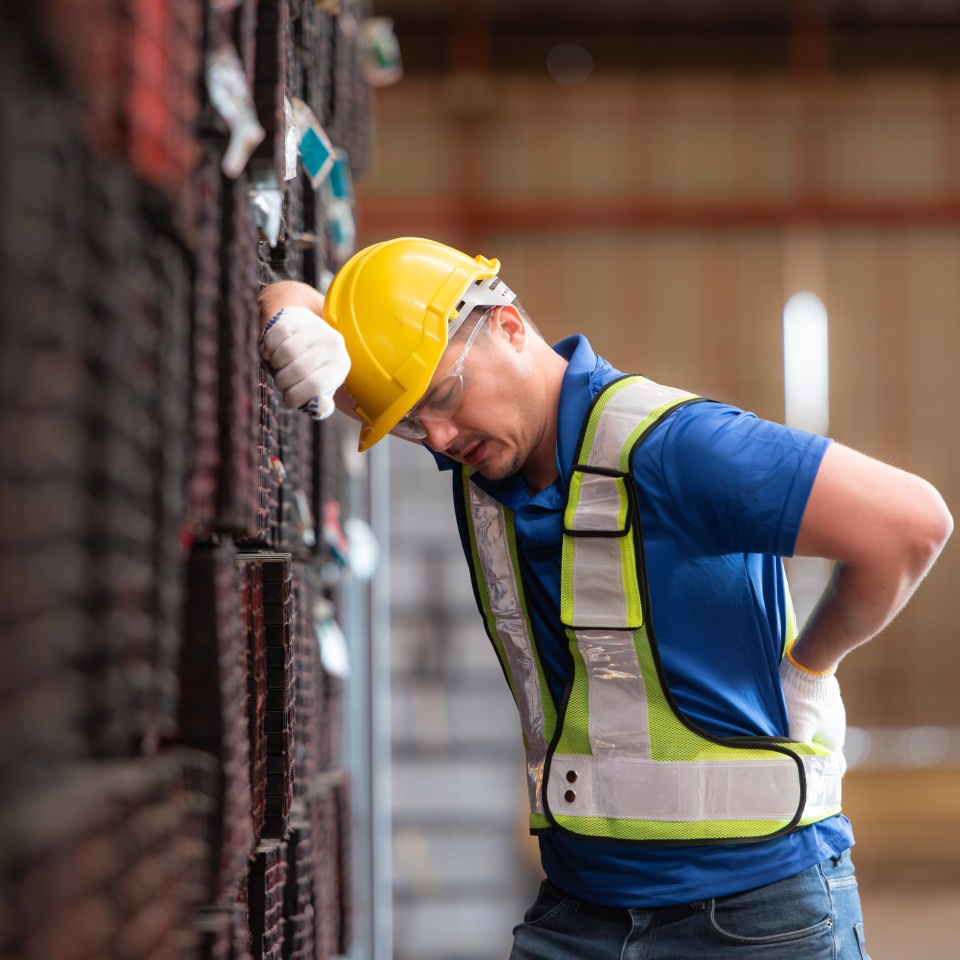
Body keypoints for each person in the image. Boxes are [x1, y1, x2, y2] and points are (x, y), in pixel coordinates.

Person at [258, 237, 952, 959]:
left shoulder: (679, 449)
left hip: (752, 915)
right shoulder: (488, 443)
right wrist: (286, 305)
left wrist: (811, 666)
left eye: (442, 398)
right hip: (579, 911)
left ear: (508, 326)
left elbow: (910, 525)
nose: (436, 435)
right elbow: (323, 358)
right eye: (408, 423)